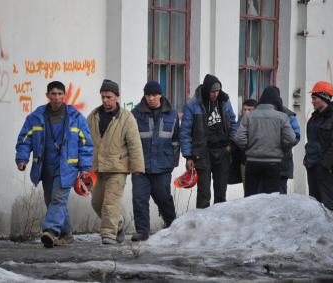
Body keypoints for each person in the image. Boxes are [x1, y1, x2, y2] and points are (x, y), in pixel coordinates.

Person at [15, 81, 93, 248]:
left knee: (58, 198)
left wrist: (85, 168)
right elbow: (25, 139)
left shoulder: (76, 118)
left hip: (67, 167)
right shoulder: (36, 117)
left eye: (60, 94)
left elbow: (85, 144)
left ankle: (50, 231)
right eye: (53, 94)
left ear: (65, 96)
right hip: (45, 166)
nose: (56, 97)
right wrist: (22, 159)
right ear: (47, 95)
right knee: (51, 200)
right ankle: (66, 233)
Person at [87, 79, 144, 244]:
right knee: (97, 202)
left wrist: (137, 167)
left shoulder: (126, 118)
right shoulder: (93, 116)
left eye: (109, 97)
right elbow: (84, 140)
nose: (105, 100)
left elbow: (135, 144)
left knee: (110, 203)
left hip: (118, 167)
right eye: (103, 97)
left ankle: (108, 235)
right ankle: (118, 223)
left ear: (117, 97)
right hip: (98, 167)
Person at [130, 81, 180, 241]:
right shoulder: (135, 114)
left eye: (154, 95)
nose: (151, 98)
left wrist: (172, 162)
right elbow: (130, 140)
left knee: (163, 197)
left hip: (163, 164)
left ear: (160, 94)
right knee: (139, 198)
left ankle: (172, 225)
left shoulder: (171, 113)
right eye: (148, 95)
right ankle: (142, 231)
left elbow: (176, 140)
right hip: (140, 165)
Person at [180, 74, 237, 208]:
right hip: (202, 153)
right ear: (206, 90)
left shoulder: (224, 101)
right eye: (212, 91)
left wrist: (231, 144)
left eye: (217, 91)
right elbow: (185, 132)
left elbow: (234, 123)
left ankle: (219, 224)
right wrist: (188, 156)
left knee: (221, 193)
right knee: (204, 193)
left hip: (223, 151)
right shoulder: (193, 105)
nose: (215, 94)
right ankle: (202, 226)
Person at [236, 86, 296, 196]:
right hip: (273, 163)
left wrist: (249, 148)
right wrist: (280, 148)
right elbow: (291, 138)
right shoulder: (282, 117)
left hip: (252, 162)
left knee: (251, 198)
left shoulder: (249, 116)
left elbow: (239, 138)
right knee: (271, 200)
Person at [304, 81, 333, 221]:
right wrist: (307, 161)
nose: (312, 101)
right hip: (313, 167)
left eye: (314, 98)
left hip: (326, 169)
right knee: (315, 204)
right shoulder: (313, 119)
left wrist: (325, 165)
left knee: (329, 204)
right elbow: (311, 142)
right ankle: (320, 238)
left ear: (324, 98)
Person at [228, 99, 258, 189]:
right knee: (247, 190)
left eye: (250, 109)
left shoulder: (259, 122)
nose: (246, 112)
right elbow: (236, 138)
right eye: (244, 109)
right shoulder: (239, 122)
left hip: (258, 160)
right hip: (244, 161)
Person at [280, 106, 301, 194]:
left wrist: (282, 144)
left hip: (284, 160)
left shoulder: (289, 116)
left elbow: (295, 137)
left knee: (280, 191)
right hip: (283, 160)